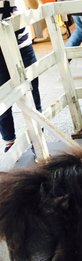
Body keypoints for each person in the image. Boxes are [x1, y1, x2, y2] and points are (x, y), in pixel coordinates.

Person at [0, 0, 42, 152]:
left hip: (22, 46)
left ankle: (38, 142)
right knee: (3, 98)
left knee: (33, 94)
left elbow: (35, 5)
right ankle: (10, 142)